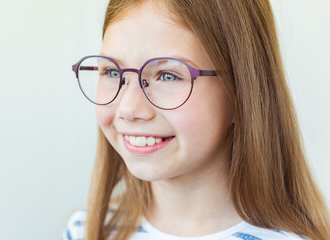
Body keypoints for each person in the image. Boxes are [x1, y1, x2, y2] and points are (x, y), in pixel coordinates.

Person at [63, 0, 330, 239]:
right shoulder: (87, 230)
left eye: (168, 76)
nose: (128, 108)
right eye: (111, 72)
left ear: (241, 94)